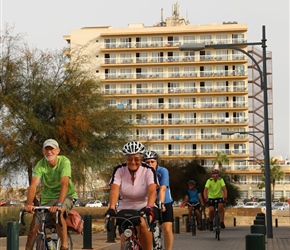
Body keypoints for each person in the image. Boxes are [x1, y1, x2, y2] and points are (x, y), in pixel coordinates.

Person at [24, 139, 77, 250]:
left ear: (57, 151)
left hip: (66, 195)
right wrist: (29, 204)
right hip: (47, 198)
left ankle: (64, 246)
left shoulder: (64, 162)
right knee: (35, 227)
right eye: (46, 149)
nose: (49, 152)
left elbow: (64, 185)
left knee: (58, 214)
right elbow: (33, 186)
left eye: (52, 149)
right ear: (43, 151)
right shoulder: (40, 164)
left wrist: (58, 204)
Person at [106, 141, 158, 250]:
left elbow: (152, 191)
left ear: (141, 158)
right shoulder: (119, 170)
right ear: (126, 158)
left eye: (136, 159)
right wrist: (111, 207)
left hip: (144, 205)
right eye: (129, 159)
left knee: (143, 224)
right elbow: (114, 190)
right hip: (125, 206)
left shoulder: (148, 170)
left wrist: (149, 206)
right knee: (124, 240)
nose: (133, 162)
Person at [142, 150, 174, 250]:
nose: (150, 164)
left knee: (167, 229)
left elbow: (162, 189)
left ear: (156, 162)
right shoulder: (141, 173)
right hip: (149, 202)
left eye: (152, 161)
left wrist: (161, 202)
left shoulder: (163, 171)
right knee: (146, 227)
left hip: (165, 201)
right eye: (147, 162)